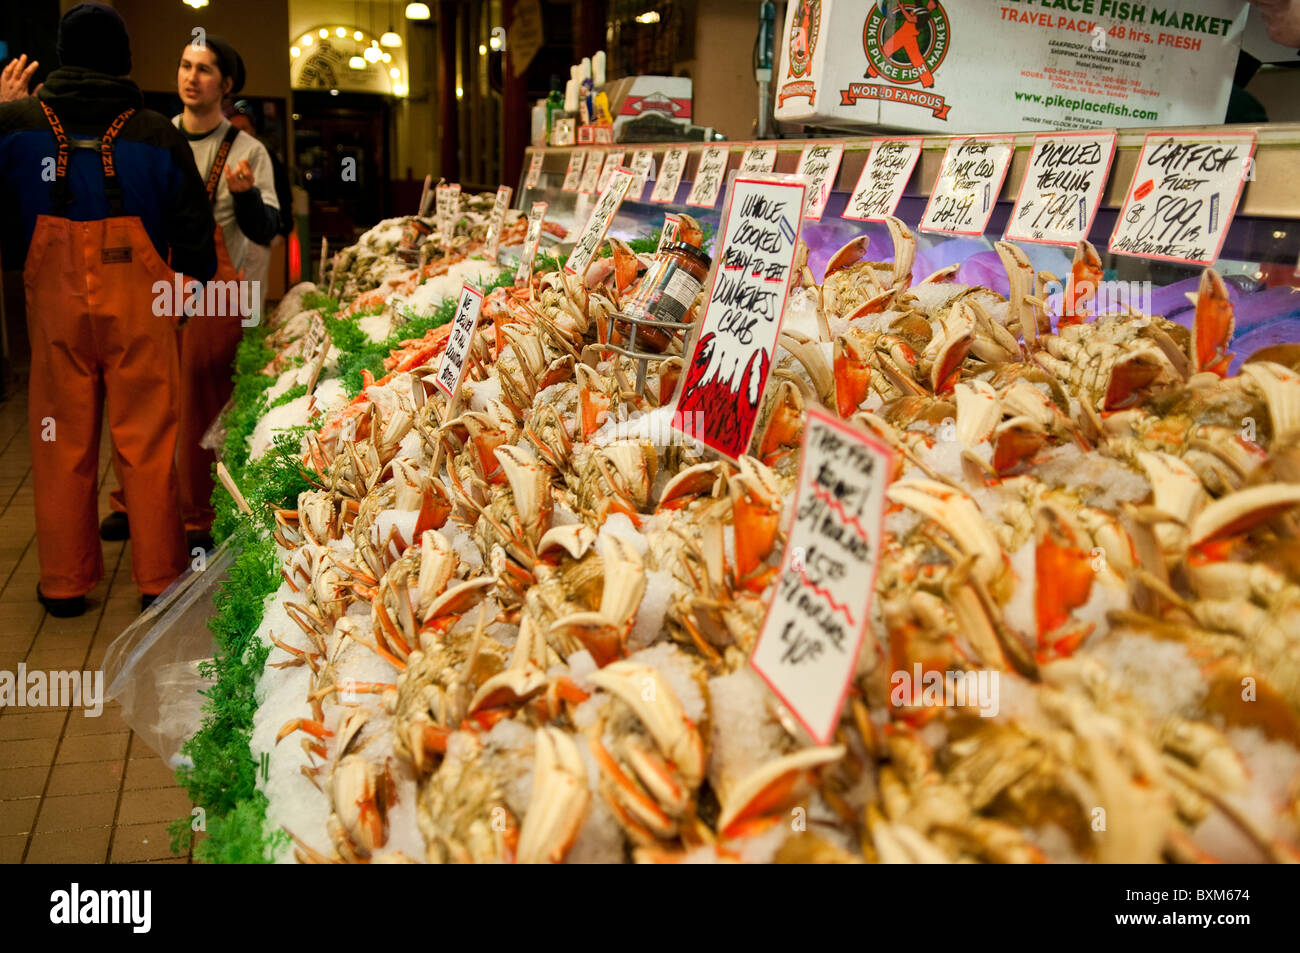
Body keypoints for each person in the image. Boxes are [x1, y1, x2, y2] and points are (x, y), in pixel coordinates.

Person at [0, 3, 216, 616]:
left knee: (59, 439)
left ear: (64, 56)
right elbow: (194, 237)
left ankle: (65, 585)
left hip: (53, 306)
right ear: (123, 58)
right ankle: (157, 579)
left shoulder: (15, 126)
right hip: (141, 304)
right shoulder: (156, 131)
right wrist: (188, 293)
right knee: (147, 440)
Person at [100, 36, 280, 550]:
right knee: (138, 391)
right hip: (153, 277)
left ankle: (198, 513)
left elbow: (268, 228)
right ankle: (133, 501)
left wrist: (245, 199)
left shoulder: (249, 151)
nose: (190, 76)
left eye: (204, 69)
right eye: (184, 65)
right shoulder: (149, 135)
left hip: (219, 289)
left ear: (226, 86)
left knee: (201, 400)